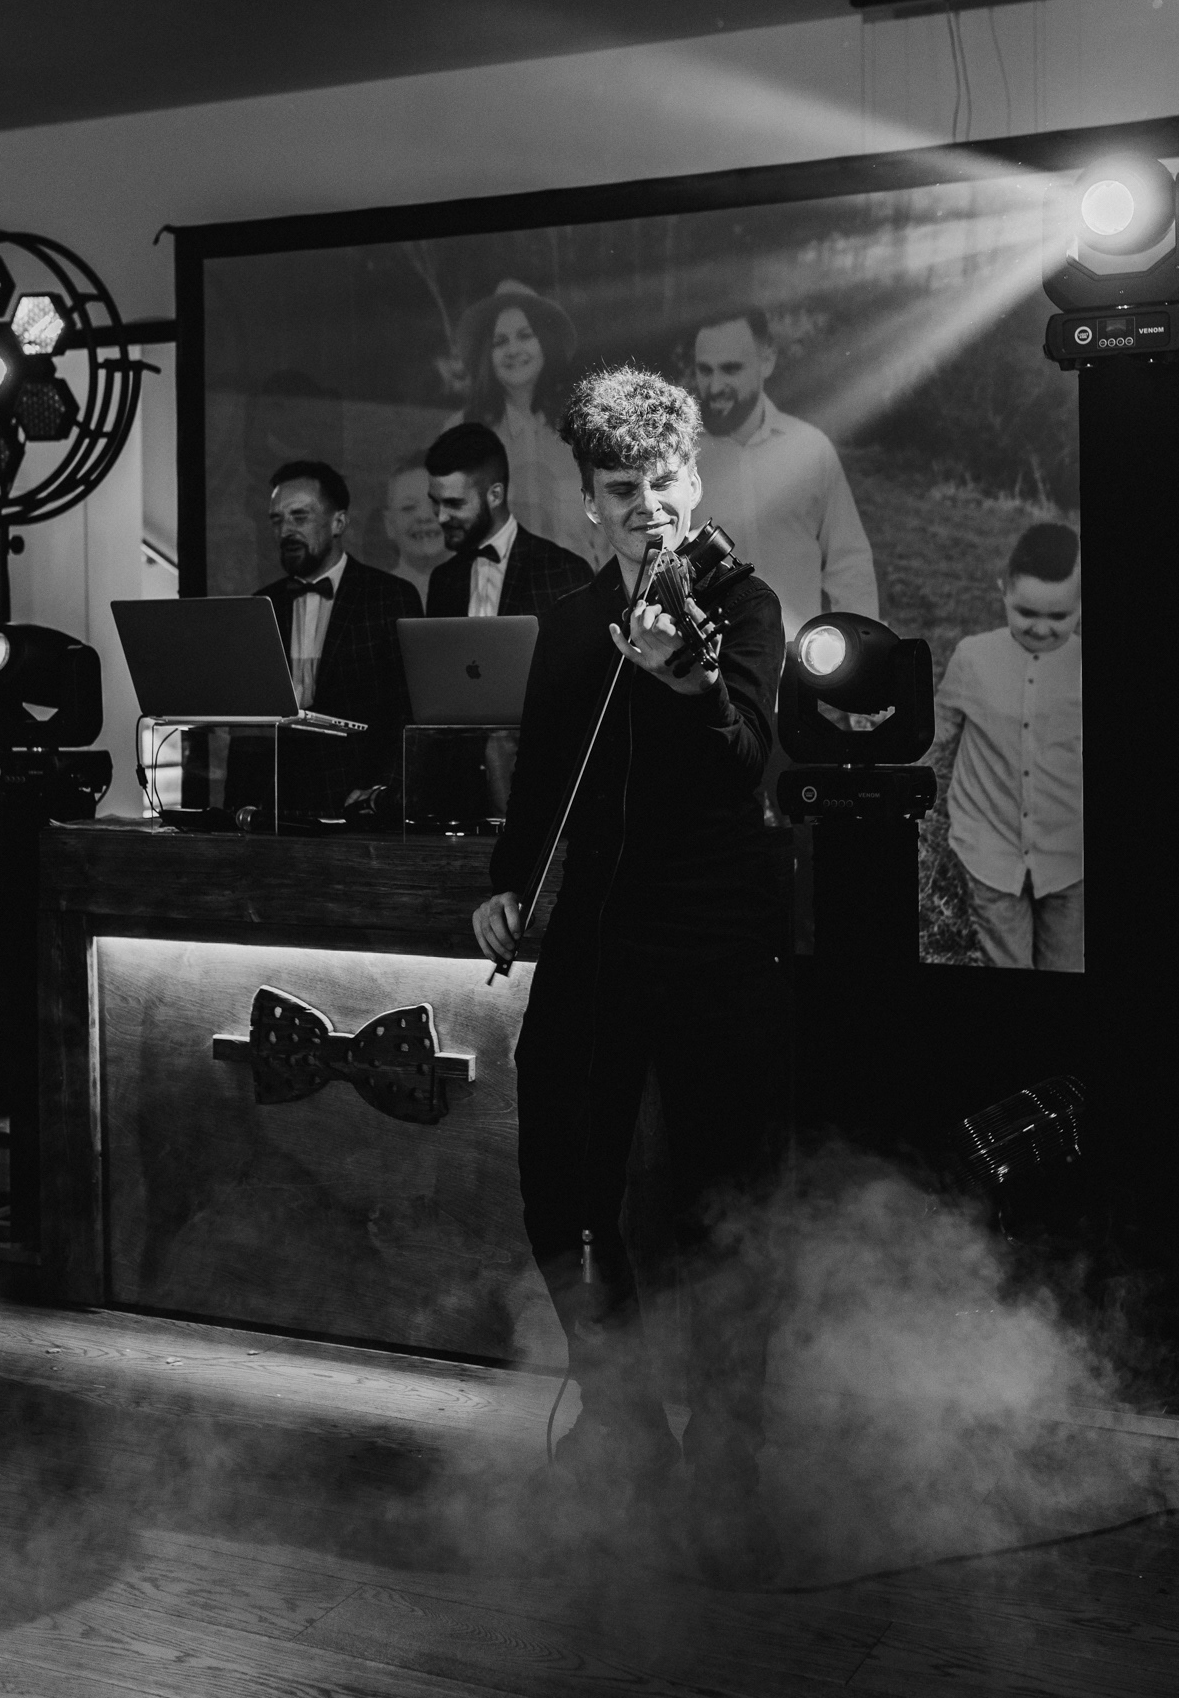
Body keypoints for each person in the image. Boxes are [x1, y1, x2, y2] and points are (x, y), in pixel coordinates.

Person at [472, 367, 787, 1583]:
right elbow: (544, 782)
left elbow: (744, 760)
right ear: (590, 499)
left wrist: (684, 678)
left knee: (724, 1195)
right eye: (622, 488)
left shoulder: (742, 605)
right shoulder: (567, 620)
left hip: (715, 930)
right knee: (559, 1182)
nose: (647, 507)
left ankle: (730, 1454)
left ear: (692, 479)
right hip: (600, 931)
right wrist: (507, 883)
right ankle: (623, 1420)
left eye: (663, 483)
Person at [225, 460, 421, 818]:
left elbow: (408, 708)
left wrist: (386, 792)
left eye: (299, 517)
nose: (286, 530)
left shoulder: (389, 596)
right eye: (277, 520)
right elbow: (247, 722)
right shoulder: (261, 605)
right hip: (276, 801)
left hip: (357, 796)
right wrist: (237, 806)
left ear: (338, 523)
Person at [929, 522, 1083, 971]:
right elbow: (941, 725)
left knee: (1067, 968)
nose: (1041, 628)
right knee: (1008, 968)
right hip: (989, 849)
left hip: (1069, 856)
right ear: (1004, 593)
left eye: (1059, 617)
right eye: (1026, 612)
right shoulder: (974, 657)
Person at [692, 308, 878, 639]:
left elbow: (849, 565)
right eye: (705, 370)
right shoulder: (680, 459)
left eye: (731, 369)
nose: (715, 386)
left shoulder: (811, 449)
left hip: (799, 657)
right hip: (709, 661)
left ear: (767, 361)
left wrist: (861, 653)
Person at [457, 277, 606, 569]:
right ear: (486, 354)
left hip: (576, 587)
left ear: (545, 343)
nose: (513, 350)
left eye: (525, 336)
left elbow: (606, 531)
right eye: (500, 341)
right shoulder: (462, 432)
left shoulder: (584, 428)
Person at [423, 422, 592, 617]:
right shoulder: (443, 580)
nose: (441, 517)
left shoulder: (564, 570)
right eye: (435, 501)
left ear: (495, 495)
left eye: (454, 503)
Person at [383, 453, 446, 604]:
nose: (424, 516)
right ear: (389, 524)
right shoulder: (378, 595)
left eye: (435, 503)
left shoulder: (483, 588)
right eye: (408, 507)